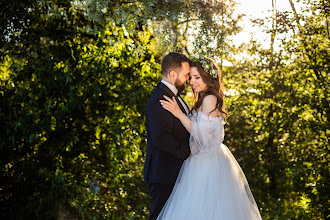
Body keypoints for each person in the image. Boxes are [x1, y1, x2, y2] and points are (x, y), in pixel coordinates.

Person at [157, 55, 262, 219]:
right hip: (200, 159)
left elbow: (202, 136)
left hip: (208, 162)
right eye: (190, 77)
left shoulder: (210, 99)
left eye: (197, 77)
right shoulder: (203, 98)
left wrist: (179, 114)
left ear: (208, 77)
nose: (192, 82)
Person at [144, 52, 192, 220]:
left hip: (172, 172)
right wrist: (187, 151)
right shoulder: (160, 99)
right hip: (162, 173)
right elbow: (161, 137)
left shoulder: (173, 96)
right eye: (186, 74)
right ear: (173, 74)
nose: (188, 78)